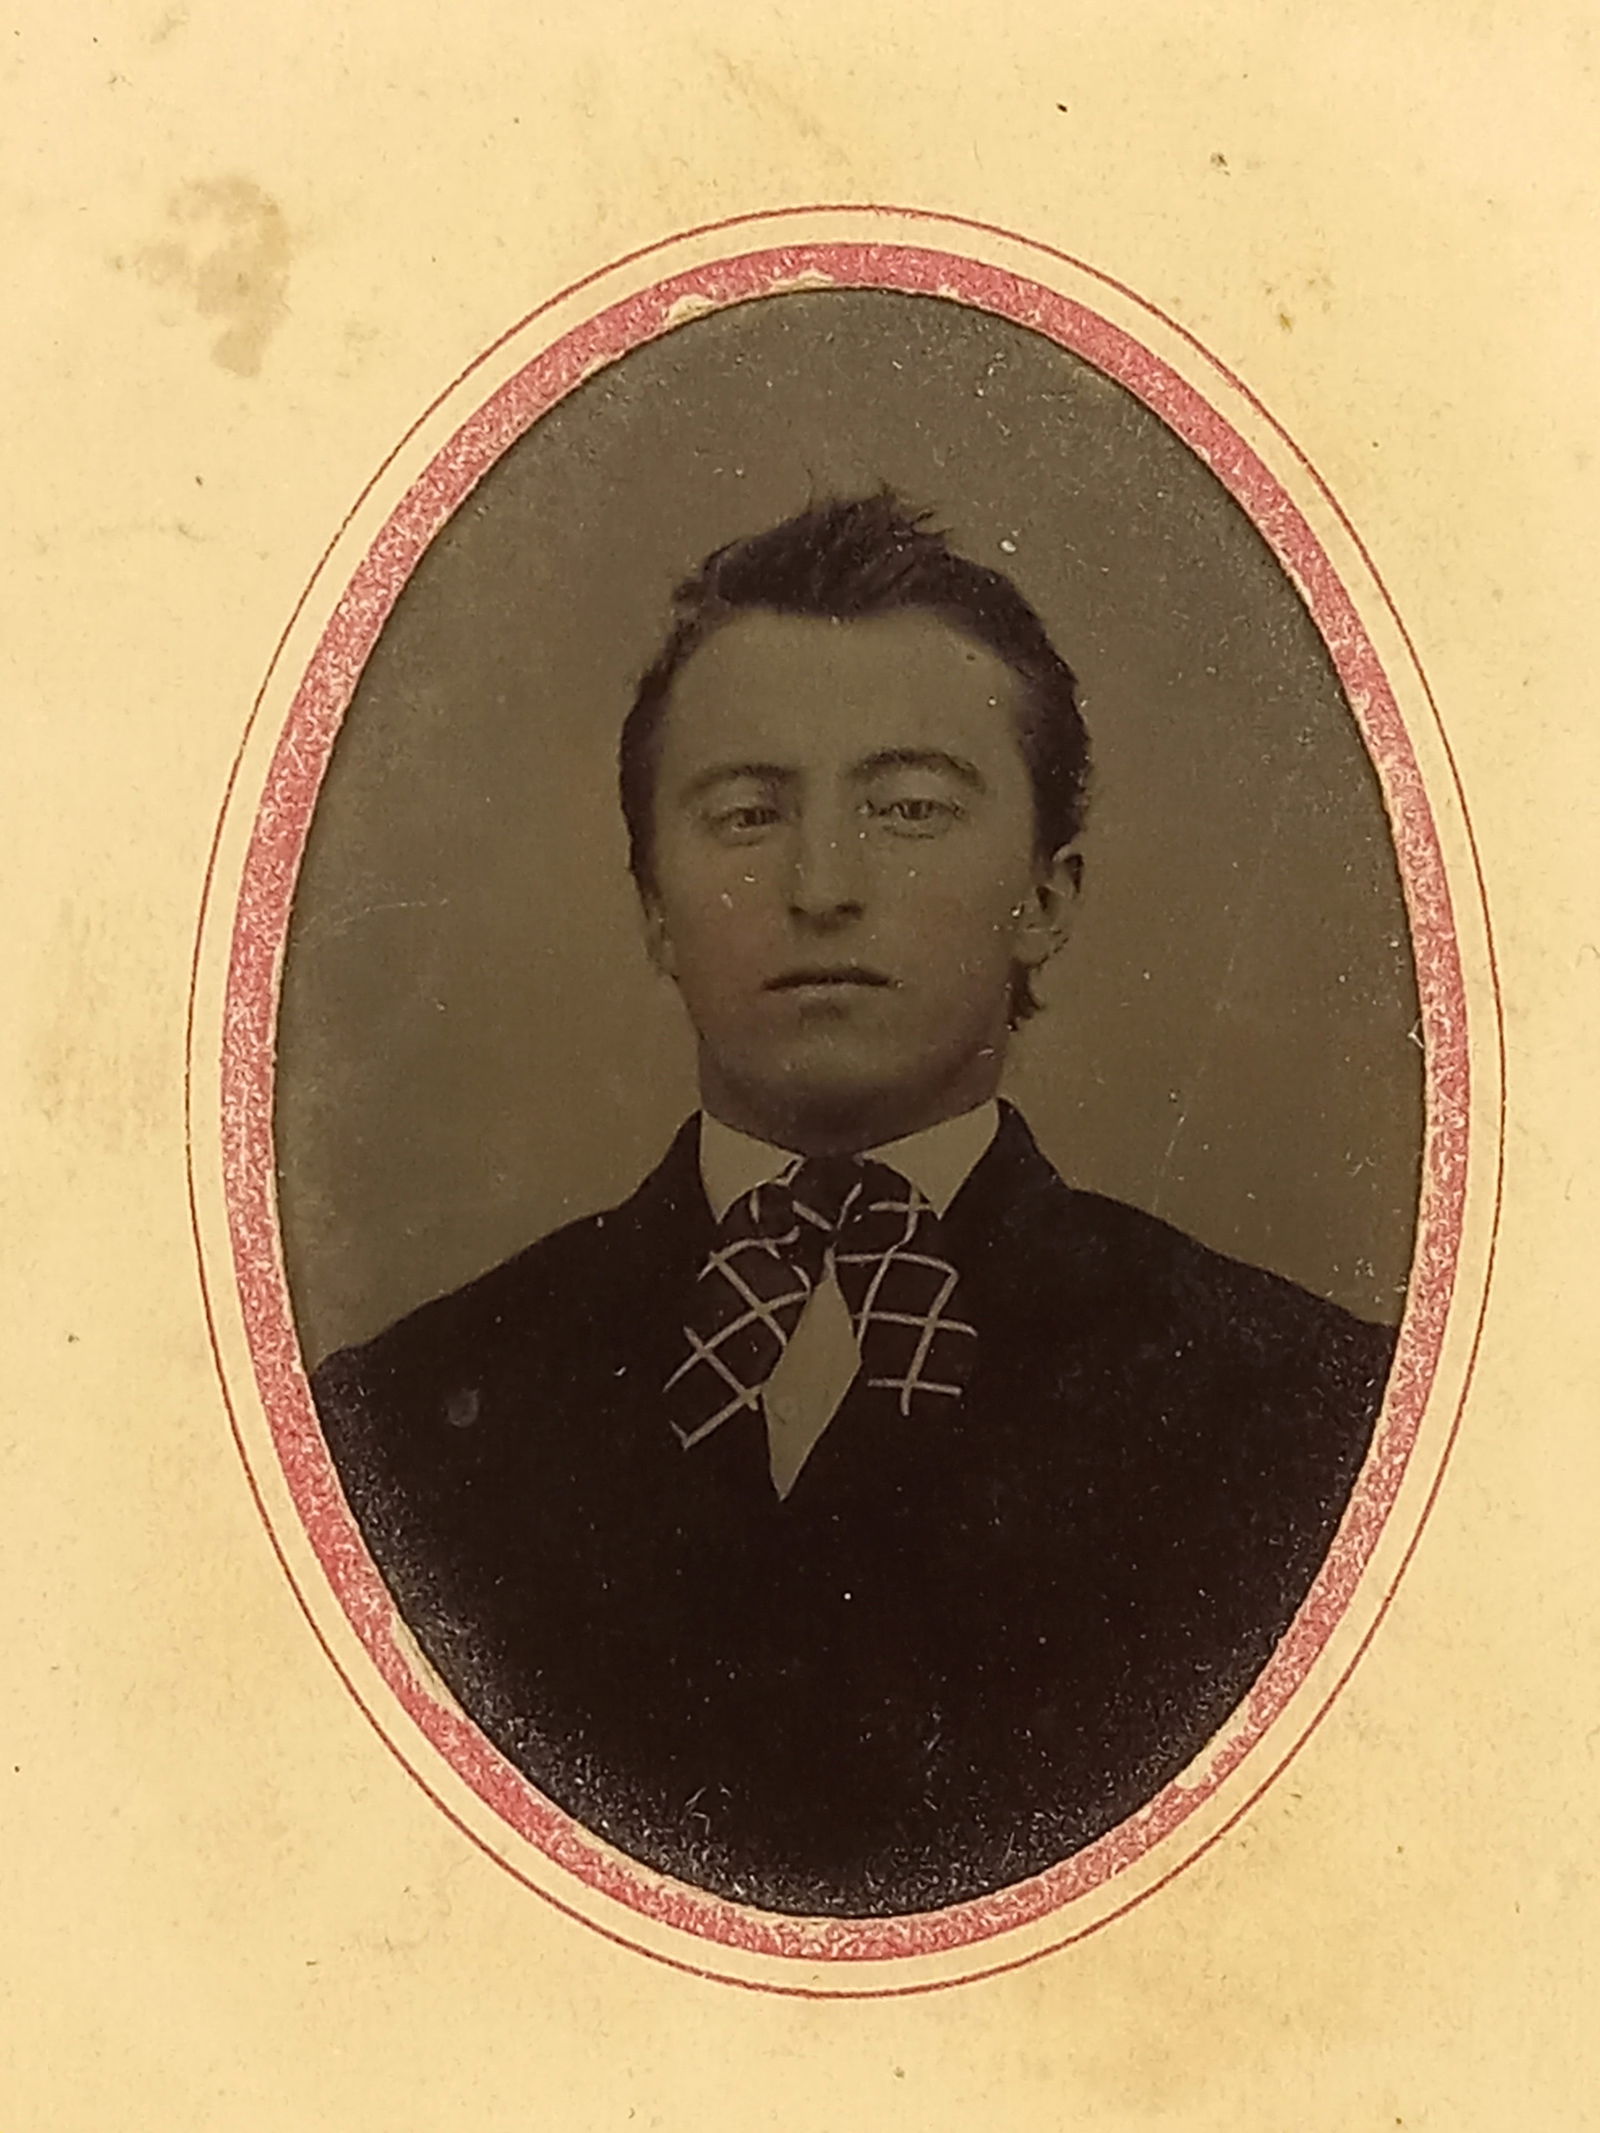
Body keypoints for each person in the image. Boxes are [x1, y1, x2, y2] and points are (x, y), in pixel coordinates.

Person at [311, 491, 1395, 1918]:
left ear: (1048, 895)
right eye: (749, 813)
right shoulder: (392, 1428)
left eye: (910, 810)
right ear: (652, 901)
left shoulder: (1314, 1415)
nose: (823, 886)